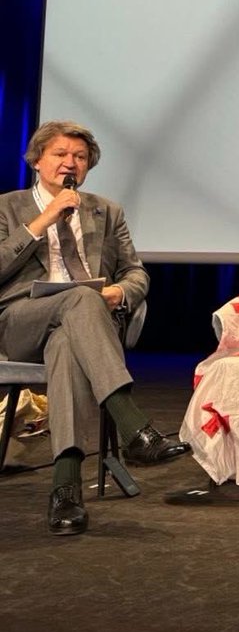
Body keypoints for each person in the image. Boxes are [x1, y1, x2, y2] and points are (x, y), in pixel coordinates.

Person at [0, 121, 191, 535]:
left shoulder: (106, 211)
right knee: (80, 298)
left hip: (82, 327)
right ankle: (134, 427)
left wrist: (119, 293)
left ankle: (65, 493)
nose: (71, 163)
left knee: (69, 339)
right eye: (60, 154)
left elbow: (135, 273)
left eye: (80, 157)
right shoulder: (7, 207)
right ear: (36, 160)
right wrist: (43, 220)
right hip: (19, 323)